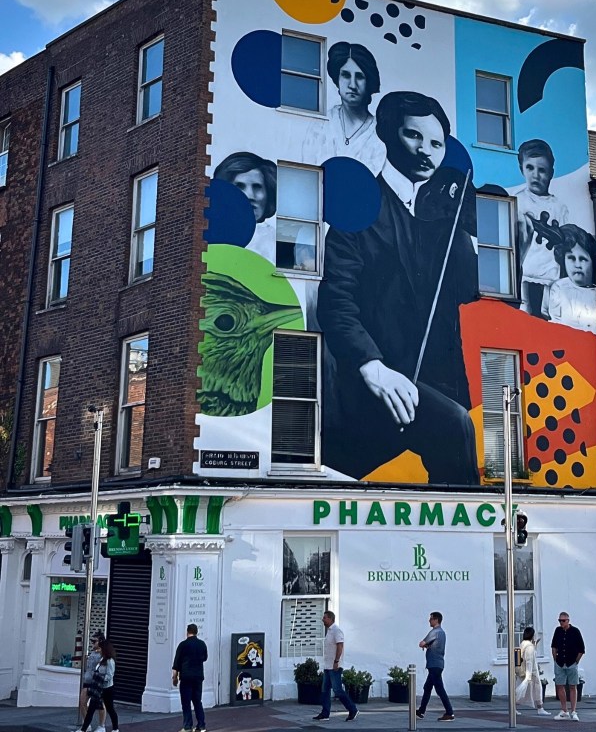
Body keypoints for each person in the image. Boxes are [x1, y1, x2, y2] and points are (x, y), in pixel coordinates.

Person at [317, 90, 479, 483]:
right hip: (375, 381)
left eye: (437, 143)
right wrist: (372, 366)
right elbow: (336, 302)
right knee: (453, 427)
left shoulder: (447, 217)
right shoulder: (360, 208)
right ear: (389, 134)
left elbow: (470, 296)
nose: (426, 151)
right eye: (414, 136)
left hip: (439, 381)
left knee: (456, 426)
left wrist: (470, 235)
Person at [304, 42, 386, 173]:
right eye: (346, 75)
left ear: (369, 81)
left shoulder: (380, 133)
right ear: (337, 79)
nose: (352, 85)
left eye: (359, 77)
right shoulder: (322, 124)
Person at [516, 138, 568, 319]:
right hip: (526, 272)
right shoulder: (518, 201)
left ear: (551, 173)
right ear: (521, 169)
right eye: (530, 168)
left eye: (542, 170)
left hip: (550, 274)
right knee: (525, 316)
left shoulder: (559, 206)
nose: (536, 175)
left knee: (546, 318)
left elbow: (565, 240)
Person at [213, 151, 277, 262]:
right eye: (239, 186)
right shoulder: (210, 234)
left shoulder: (274, 242)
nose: (250, 196)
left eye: (257, 187)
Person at [548, 225, 596, 335]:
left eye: (583, 259)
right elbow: (555, 322)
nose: (577, 265)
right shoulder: (559, 288)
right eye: (571, 258)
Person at [312, 610, 358, 722]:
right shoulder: (329, 631)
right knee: (325, 690)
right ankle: (325, 713)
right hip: (328, 666)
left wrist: (336, 661)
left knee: (337, 690)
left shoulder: (337, 631)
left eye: (324, 618)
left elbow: (340, 646)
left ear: (330, 619)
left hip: (335, 666)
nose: (323, 620)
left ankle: (352, 709)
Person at [416, 611, 455, 721]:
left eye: (431, 618)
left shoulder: (435, 632)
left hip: (434, 665)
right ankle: (421, 711)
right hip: (437, 664)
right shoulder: (442, 633)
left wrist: (425, 645)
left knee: (439, 689)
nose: (429, 620)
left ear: (436, 620)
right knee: (427, 687)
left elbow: (422, 643)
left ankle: (449, 713)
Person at [172, 623, 208, 732]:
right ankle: (201, 726)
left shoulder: (183, 645)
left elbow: (176, 663)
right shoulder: (202, 644)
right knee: (197, 701)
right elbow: (205, 658)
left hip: (186, 677)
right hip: (198, 677)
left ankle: (187, 726)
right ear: (197, 632)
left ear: (187, 632)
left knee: (186, 702)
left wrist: (175, 678)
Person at [78, 635, 119, 732]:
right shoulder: (101, 659)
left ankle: (115, 729)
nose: (99, 650)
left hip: (107, 689)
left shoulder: (109, 661)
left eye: (101, 648)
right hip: (97, 688)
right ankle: (84, 729)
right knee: (91, 709)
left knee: (110, 709)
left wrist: (99, 678)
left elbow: (109, 676)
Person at [551, 611, 585, 721]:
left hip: (571, 662)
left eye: (563, 620)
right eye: (559, 620)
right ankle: (564, 710)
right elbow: (554, 645)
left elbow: (581, 648)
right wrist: (555, 658)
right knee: (560, 685)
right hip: (560, 662)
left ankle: (573, 711)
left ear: (568, 621)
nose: (561, 622)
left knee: (573, 686)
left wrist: (576, 661)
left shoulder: (575, 631)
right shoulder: (558, 631)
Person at [516, 627, 549, 715]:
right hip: (531, 672)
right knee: (536, 689)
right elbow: (529, 660)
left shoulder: (522, 644)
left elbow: (519, 658)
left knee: (524, 691)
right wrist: (529, 675)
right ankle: (540, 708)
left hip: (523, 671)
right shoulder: (529, 647)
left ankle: (514, 707)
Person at [78, 632, 106, 731]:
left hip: (96, 682)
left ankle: (101, 726)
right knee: (82, 702)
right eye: (92, 641)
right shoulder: (93, 652)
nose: (92, 643)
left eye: (94, 641)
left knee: (100, 704)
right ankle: (87, 725)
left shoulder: (103, 653)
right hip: (87, 680)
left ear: (100, 641)